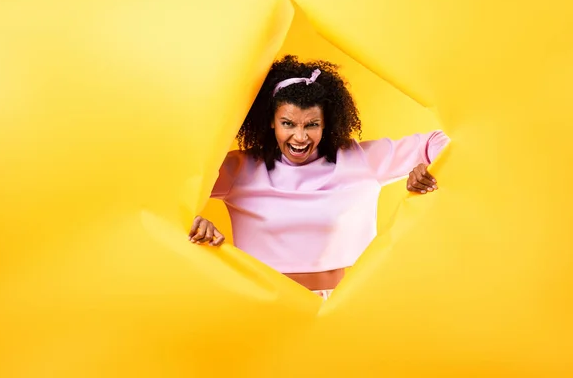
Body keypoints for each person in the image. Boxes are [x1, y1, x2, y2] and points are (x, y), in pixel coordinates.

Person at [188, 55, 450, 299]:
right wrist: (192, 220)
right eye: (288, 123)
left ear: (326, 123)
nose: (300, 137)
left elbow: (438, 142)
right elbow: (168, 188)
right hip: (262, 304)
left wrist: (429, 171)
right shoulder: (240, 169)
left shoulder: (359, 160)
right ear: (271, 122)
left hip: (343, 304)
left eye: (311, 124)